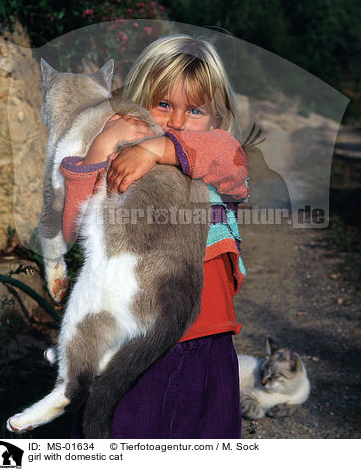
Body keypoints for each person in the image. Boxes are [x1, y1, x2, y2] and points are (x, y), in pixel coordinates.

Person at [59, 33, 249, 438]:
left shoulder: (218, 150)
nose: (178, 121)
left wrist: (155, 148)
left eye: (195, 110)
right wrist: (103, 146)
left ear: (216, 119)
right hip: (129, 336)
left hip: (204, 335)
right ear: (136, 106)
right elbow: (72, 228)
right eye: (163, 105)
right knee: (123, 433)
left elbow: (228, 161)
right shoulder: (119, 160)